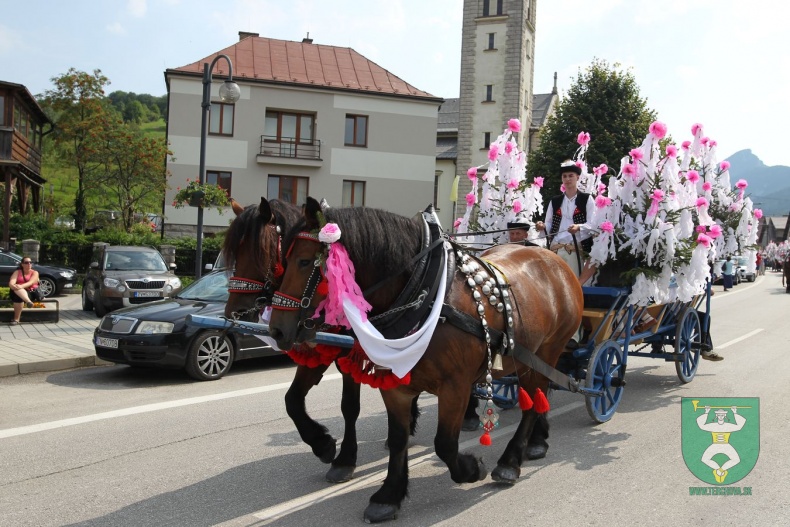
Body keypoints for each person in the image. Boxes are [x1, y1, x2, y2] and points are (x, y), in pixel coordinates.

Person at [535, 160, 597, 285]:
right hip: (556, 248)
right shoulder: (555, 201)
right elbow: (549, 224)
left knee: (572, 283)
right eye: (564, 176)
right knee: (554, 283)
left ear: (577, 177)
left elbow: (593, 224)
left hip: (576, 248)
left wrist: (578, 227)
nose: (567, 179)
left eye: (571, 176)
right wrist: (542, 226)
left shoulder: (586, 199)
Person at [8, 256, 41, 325]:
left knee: (18, 295)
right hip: (16, 292)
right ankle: (28, 302)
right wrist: (14, 286)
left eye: (30, 262)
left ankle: (16, 319)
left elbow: (31, 282)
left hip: (30, 292)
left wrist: (20, 286)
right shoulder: (17, 272)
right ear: (22, 264)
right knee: (17, 292)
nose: (29, 264)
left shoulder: (35, 272)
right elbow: (11, 283)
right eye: (26, 262)